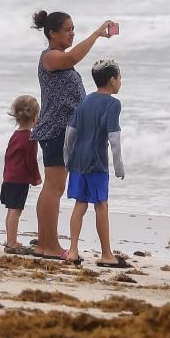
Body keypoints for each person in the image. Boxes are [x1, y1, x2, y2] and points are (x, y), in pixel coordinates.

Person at [30, 10, 114, 261]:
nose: (71, 33)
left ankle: (45, 242)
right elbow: (72, 58)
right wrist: (97, 34)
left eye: (73, 28)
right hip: (56, 129)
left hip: (61, 129)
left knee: (52, 187)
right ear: (52, 33)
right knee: (54, 188)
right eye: (67, 29)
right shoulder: (51, 57)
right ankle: (50, 244)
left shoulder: (57, 57)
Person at [64, 59, 127, 267]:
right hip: (97, 161)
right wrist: (118, 165)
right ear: (112, 80)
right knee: (101, 205)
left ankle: (72, 250)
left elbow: (70, 133)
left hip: (77, 160)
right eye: (119, 77)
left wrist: (68, 159)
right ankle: (107, 254)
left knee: (79, 204)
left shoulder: (85, 101)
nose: (120, 81)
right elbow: (114, 138)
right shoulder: (113, 104)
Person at [0, 95, 41, 255]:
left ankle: (11, 239)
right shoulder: (30, 138)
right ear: (35, 117)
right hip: (19, 180)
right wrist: (36, 177)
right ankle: (11, 243)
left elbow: (8, 156)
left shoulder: (16, 135)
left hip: (9, 178)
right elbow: (31, 161)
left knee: (11, 210)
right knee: (15, 211)